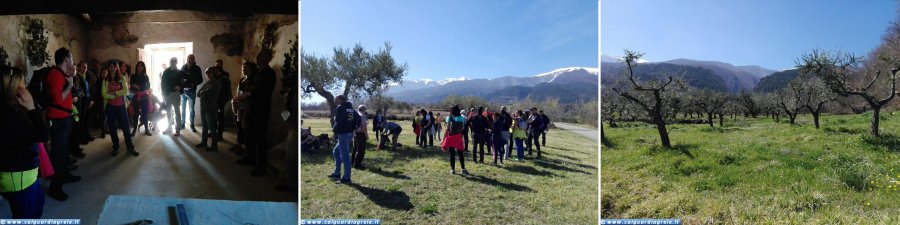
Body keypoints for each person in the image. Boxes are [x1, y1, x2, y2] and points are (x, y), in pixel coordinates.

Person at [0, 66, 49, 218]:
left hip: (24, 175)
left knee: (39, 204)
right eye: (22, 83)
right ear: (13, 88)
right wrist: (32, 108)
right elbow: (42, 135)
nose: (26, 86)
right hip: (18, 179)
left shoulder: (12, 109)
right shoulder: (10, 116)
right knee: (27, 216)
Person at [45, 48, 80, 201]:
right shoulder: (54, 74)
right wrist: (70, 85)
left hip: (65, 117)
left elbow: (64, 96)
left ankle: (64, 175)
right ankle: (55, 187)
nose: (72, 60)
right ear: (66, 59)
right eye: (71, 57)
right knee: (58, 154)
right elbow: (58, 99)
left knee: (64, 150)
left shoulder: (63, 74)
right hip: (58, 119)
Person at [240, 50, 276, 177]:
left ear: (267, 59)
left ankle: (261, 165)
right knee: (249, 133)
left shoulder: (269, 73)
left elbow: (264, 90)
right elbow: (244, 86)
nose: (259, 58)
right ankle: (249, 157)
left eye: (262, 56)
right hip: (252, 106)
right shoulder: (256, 73)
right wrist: (252, 88)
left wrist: (252, 88)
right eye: (259, 56)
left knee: (260, 137)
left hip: (261, 109)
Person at [103, 61, 138, 157]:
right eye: (110, 66)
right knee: (113, 128)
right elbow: (104, 94)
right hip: (110, 107)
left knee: (126, 128)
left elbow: (125, 91)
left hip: (121, 106)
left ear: (117, 68)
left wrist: (114, 94)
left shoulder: (122, 78)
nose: (112, 68)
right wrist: (116, 94)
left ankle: (130, 148)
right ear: (108, 68)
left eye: (114, 66)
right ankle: (116, 147)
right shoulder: (105, 80)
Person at [328, 95, 359, 184]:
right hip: (349, 134)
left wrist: (334, 131)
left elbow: (338, 122)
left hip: (343, 134)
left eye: (336, 99)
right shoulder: (351, 108)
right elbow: (358, 120)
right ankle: (337, 173)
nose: (334, 100)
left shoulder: (340, 107)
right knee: (336, 152)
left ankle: (346, 178)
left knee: (345, 157)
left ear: (340, 100)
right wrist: (354, 128)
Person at [230, 62, 255, 153]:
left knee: (245, 128)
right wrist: (234, 101)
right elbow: (238, 92)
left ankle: (245, 148)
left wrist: (236, 99)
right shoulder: (242, 80)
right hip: (239, 105)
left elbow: (248, 95)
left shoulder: (252, 80)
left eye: (246, 68)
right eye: (243, 68)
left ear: (251, 69)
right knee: (239, 126)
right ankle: (239, 145)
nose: (244, 70)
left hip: (246, 106)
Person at [196, 67, 222, 152]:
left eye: (210, 73)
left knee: (212, 128)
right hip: (203, 107)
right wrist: (203, 92)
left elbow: (207, 92)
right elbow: (198, 93)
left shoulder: (217, 83)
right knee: (205, 127)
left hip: (210, 107)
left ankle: (214, 145)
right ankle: (204, 142)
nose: (208, 74)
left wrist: (203, 92)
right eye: (207, 73)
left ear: (214, 73)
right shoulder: (208, 83)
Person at [68, 61, 89, 159]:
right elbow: (75, 92)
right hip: (73, 108)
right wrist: (77, 95)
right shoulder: (69, 79)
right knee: (74, 129)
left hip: (78, 106)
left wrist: (78, 94)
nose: (74, 70)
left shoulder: (75, 78)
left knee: (77, 127)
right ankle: (74, 149)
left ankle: (75, 147)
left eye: (75, 69)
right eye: (73, 69)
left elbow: (81, 92)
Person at [441, 105, 469, 175]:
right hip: (458, 137)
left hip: (451, 137)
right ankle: (463, 169)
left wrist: (443, 139)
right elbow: (462, 128)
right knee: (460, 153)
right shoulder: (461, 118)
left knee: (452, 154)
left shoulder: (449, 118)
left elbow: (447, 129)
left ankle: (453, 170)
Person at [161, 57, 184, 136]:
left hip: (176, 94)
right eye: (171, 61)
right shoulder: (166, 71)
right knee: (168, 112)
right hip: (168, 94)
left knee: (177, 111)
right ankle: (169, 127)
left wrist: (180, 87)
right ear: (170, 62)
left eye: (174, 61)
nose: (173, 62)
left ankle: (178, 129)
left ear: (176, 62)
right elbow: (163, 84)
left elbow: (184, 81)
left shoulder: (179, 72)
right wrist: (163, 94)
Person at [180, 54, 203, 133]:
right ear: (187, 59)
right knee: (182, 109)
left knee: (191, 109)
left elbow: (200, 79)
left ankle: (192, 125)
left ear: (194, 60)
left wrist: (193, 84)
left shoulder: (197, 68)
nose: (190, 61)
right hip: (183, 92)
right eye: (188, 59)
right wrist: (182, 82)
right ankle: (182, 124)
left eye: (191, 59)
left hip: (191, 91)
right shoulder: (183, 67)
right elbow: (180, 77)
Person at [129, 61, 152, 136]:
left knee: (145, 113)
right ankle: (135, 129)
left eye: (141, 66)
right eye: (138, 65)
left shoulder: (146, 76)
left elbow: (148, 86)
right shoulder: (133, 76)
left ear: (143, 67)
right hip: (135, 96)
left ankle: (146, 129)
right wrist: (136, 86)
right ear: (136, 67)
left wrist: (138, 86)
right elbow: (131, 86)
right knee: (136, 114)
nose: (140, 67)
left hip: (144, 96)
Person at [215, 59, 231, 139]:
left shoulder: (225, 75)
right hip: (215, 99)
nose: (217, 66)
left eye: (219, 64)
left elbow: (224, 89)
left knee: (220, 116)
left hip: (221, 99)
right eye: (216, 64)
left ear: (222, 65)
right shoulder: (214, 74)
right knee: (215, 116)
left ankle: (220, 134)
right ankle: (214, 131)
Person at [351, 105, 368, 169]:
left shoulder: (355, 115)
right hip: (361, 134)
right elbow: (364, 126)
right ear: (364, 109)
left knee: (355, 149)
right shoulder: (362, 116)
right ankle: (357, 165)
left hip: (355, 134)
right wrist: (366, 135)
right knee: (361, 150)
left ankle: (352, 162)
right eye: (365, 109)